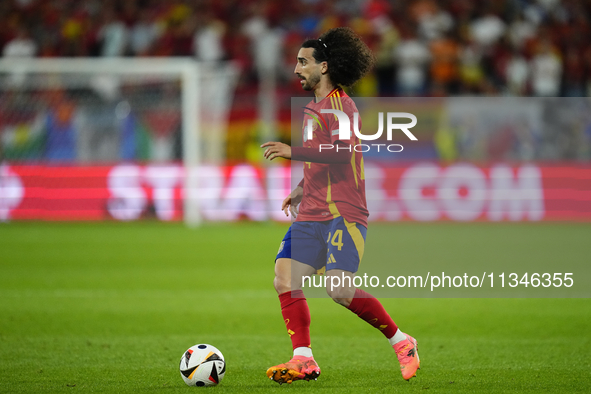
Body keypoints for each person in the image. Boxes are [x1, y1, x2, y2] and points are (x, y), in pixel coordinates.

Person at [260, 27, 420, 385]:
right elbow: (323, 159)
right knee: (284, 278)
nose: (297, 68)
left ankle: (402, 341)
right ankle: (303, 358)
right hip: (312, 213)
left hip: (342, 213)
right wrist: (302, 187)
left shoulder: (341, 106)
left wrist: (292, 152)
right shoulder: (313, 107)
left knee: (339, 290)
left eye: (303, 62)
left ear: (325, 66)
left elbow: (343, 152)